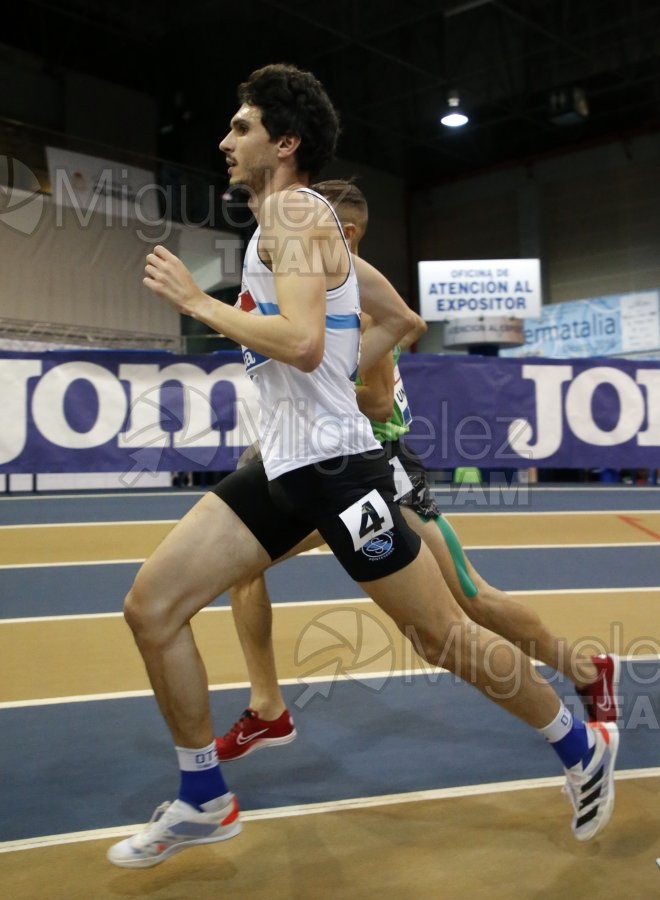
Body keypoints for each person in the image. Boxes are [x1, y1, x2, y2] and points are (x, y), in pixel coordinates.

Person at [107, 64, 618, 869]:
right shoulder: (300, 224)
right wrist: (333, 386)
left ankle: (578, 743)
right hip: (286, 468)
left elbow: (305, 341)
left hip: (340, 474)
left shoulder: (296, 216)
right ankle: (204, 796)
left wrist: (201, 307)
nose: (223, 141)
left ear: (284, 142)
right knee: (151, 607)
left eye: (239, 127)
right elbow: (395, 317)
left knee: (445, 634)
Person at [216, 179, 620, 762]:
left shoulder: (352, 303)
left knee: (469, 603)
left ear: (345, 234)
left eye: (320, 226)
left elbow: (379, 404)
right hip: (317, 463)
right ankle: (267, 707)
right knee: (243, 568)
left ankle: (586, 671)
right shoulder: (314, 289)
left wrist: (320, 394)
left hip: (376, 469)